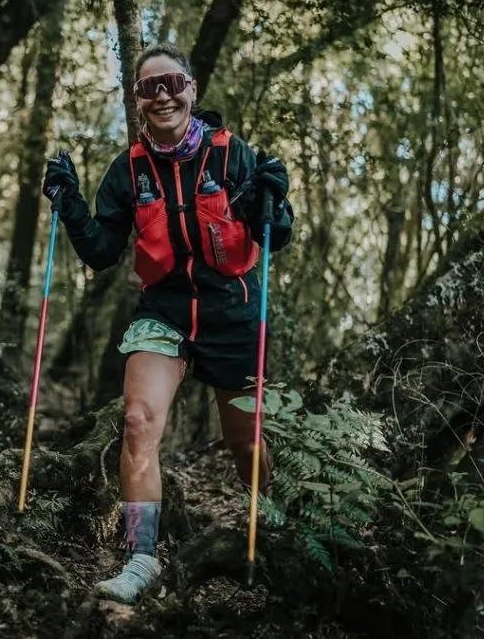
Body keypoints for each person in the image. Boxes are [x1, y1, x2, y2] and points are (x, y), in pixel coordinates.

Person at [41, 42, 294, 604]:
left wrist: (272, 199)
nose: (162, 96)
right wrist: (69, 202)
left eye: (172, 83)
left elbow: (277, 232)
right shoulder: (128, 169)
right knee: (137, 421)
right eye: (148, 87)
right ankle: (142, 557)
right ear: (137, 99)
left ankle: (271, 530)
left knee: (245, 441)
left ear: (192, 90)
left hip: (233, 310)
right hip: (164, 310)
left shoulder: (233, 155)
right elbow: (102, 250)